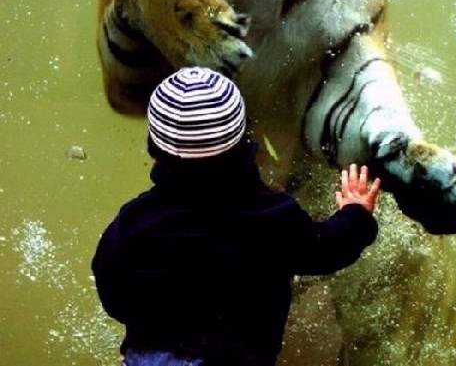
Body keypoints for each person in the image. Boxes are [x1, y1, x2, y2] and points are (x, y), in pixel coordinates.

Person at [92, 66, 381, 366]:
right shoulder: (273, 216)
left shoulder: (134, 222)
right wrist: (355, 214)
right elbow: (326, 250)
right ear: (244, 141)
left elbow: (111, 289)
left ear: (154, 150)